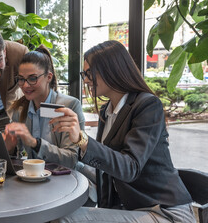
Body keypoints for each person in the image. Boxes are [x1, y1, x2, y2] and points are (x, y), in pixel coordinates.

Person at [50, 40, 195, 222]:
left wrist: (83, 139)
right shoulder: (107, 111)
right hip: (133, 208)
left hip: (165, 211)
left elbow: (130, 168)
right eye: (84, 74)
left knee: (65, 220)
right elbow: (107, 170)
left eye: (89, 73)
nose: (86, 80)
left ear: (112, 69)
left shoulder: (148, 105)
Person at [3, 45, 83, 169]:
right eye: (21, 79)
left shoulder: (69, 106)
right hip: (33, 178)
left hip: (65, 179)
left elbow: (71, 160)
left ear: (48, 77)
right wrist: (9, 148)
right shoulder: (19, 110)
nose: (25, 85)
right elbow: (17, 157)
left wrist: (36, 144)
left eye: (32, 78)